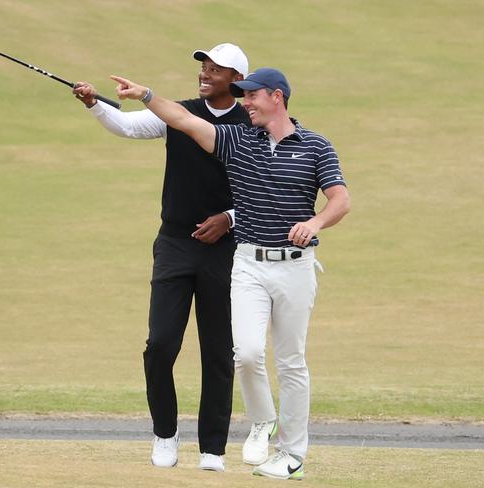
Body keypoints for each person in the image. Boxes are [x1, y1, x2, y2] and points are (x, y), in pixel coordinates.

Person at [110, 67, 351, 480]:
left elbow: (340, 200)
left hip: (295, 269)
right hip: (248, 265)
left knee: (292, 363)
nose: (245, 104)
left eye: (252, 96)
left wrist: (314, 224)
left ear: (277, 97)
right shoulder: (238, 141)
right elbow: (184, 120)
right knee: (248, 353)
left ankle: (291, 454)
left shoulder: (316, 146)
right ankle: (262, 421)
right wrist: (147, 95)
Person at [72, 44, 251, 472]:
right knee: (161, 344)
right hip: (174, 243)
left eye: (215, 70)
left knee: (219, 351)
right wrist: (96, 104)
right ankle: (165, 434)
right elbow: (130, 126)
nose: (204, 75)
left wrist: (228, 218)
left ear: (237, 81)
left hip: (225, 251)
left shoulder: (252, 124)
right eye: (203, 68)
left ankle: (212, 448)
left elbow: (266, 191)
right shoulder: (179, 112)